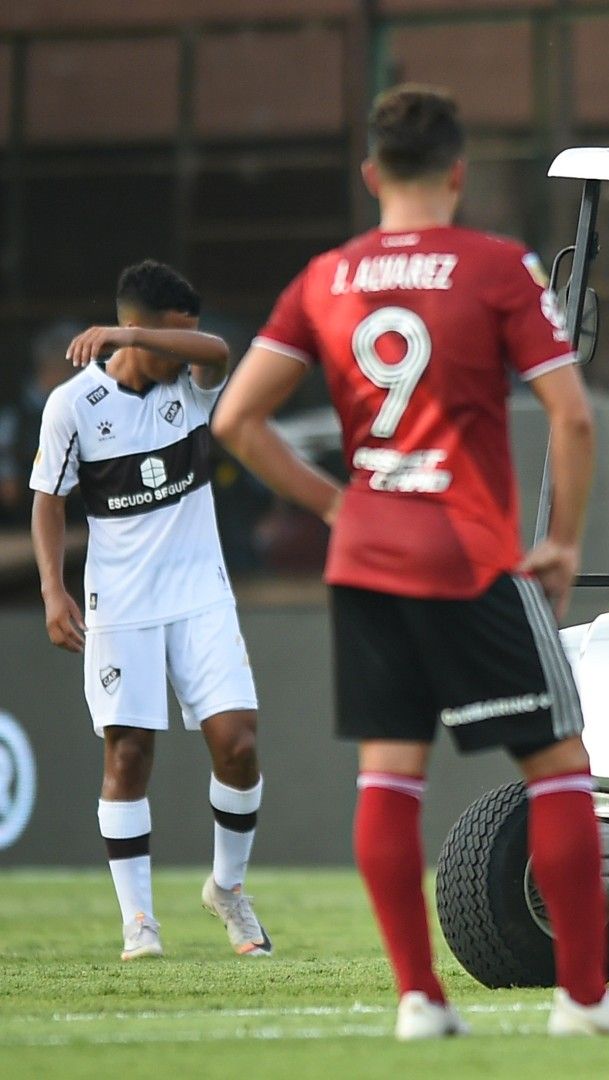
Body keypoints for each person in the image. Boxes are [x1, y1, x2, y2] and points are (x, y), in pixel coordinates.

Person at [211, 84, 609, 1040]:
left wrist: (338, 502)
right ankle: (584, 1000)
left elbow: (236, 420)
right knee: (558, 767)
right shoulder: (496, 266)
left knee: (390, 776)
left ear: (372, 174)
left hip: (368, 559)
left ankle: (419, 1001)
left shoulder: (325, 276)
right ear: (458, 173)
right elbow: (573, 414)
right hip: (470, 555)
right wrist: (563, 544)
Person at [29, 261, 269, 962]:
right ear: (142, 335)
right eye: (176, 338)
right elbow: (48, 497)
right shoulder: (73, 405)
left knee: (240, 743)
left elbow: (220, 352)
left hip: (201, 595)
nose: (189, 351)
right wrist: (53, 588)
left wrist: (131, 332)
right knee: (128, 756)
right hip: (122, 605)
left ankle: (227, 888)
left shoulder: (191, 388)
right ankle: (140, 920)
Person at [1, 321, 84, 524]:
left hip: (75, 520)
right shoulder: (13, 417)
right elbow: (8, 488)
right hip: (22, 523)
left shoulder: (79, 410)